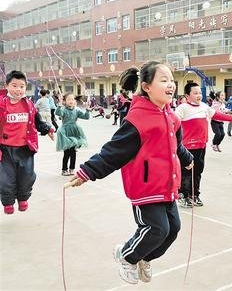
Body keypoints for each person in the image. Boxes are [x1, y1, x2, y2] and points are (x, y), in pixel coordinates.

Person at [67, 62, 193, 285]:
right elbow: (114, 151)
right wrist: (87, 171)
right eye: (163, 80)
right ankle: (126, 256)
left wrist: (187, 159)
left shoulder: (173, 118)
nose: (170, 85)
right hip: (145, 187)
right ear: (146, 87)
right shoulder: (137, 120)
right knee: (157, 229)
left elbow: (176, 146)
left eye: (171, 80)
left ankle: (144, 258)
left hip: (167, 186)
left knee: (173, 230)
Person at [175, 82, 232, 208]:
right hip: (187, 148)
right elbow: (173, 123)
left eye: (200, 92)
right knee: (187, 172)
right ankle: (183, 195)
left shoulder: (204, 106)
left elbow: (217, 115)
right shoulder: (182, 108)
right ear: (187, 96)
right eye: (195, 93)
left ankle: (195, 195)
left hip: (201, 146)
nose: (199, 95)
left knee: (198, 171)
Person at [0, 70, 54, 214]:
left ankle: (23, 198)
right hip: (5, 150)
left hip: (25, 148)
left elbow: (38, 121)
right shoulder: (1, 104)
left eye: (22, 86)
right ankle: (8, 201)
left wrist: (47, 128)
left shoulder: (29, 104)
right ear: (7, 86)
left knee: (27, 176)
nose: (18, 89)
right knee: (6, 179)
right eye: (14, 85)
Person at [56, 92, 91, 176]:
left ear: (75, 100)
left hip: (74, 131)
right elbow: (58, 113)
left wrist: (87, 109)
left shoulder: (76, 109)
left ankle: (72, 169)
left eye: (72, 99)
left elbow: (86, 117)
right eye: (69, 99)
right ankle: (64, 169)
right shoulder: (63, 109)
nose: (71, 101)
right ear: (65, 101)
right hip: (65, 132)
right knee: (67, 152)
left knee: (73, 152)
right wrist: (59, 105)